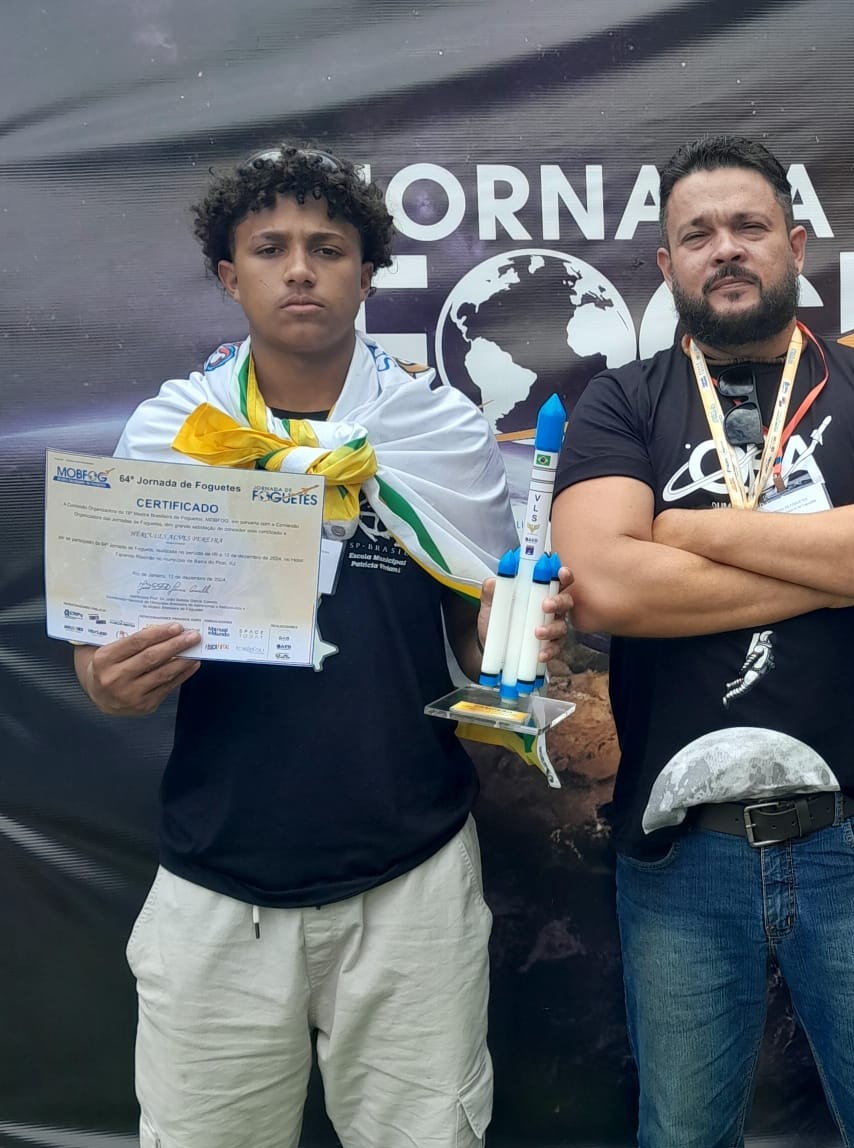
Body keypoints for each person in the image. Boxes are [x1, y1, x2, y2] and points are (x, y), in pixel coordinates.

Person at [72, 143, 570, 1148]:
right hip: (216, 881)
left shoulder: (439, 432)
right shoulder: (175, 435)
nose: (300, 269)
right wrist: (111, 684)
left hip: (411, 878)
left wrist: (512, 635)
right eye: (271, 248)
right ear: (231, 276)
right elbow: (102, 659)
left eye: (328, 248)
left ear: (367, 273)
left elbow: (480, 640)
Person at [551, 135, 854, 1147]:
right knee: (684, 1135)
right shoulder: (622, 401)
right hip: (678, 848)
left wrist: (685, 531)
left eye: (748, 226)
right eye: (698, 234)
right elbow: (603, 583)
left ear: (796, 245)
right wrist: (840, 561)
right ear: (667, 265)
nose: (725, 248)